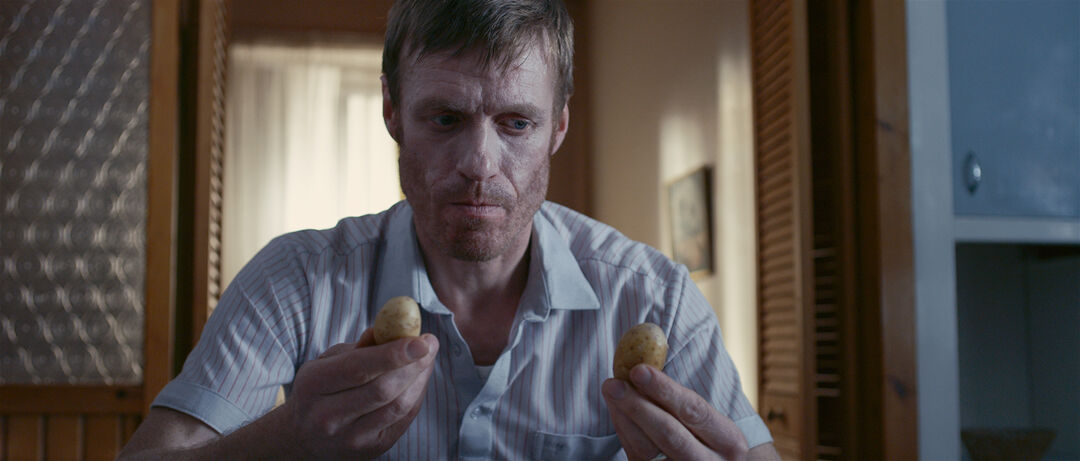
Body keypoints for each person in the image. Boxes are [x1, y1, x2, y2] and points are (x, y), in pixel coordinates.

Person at [119, 0, 779, 459]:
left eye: (516, 123)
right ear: (392, 111)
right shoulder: (298, 279)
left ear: (559, 127)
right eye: (444, 119)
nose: (478, 165)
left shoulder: (656, 297)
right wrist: (293, 436)